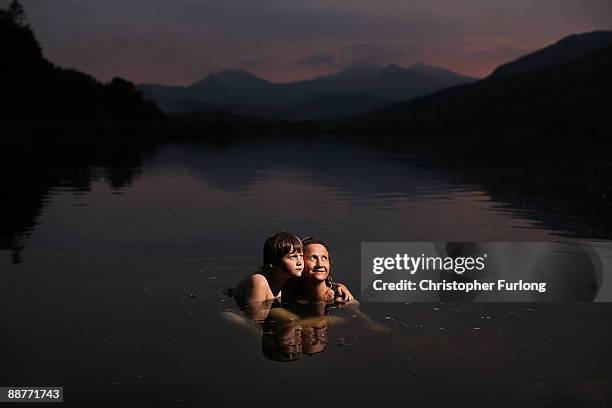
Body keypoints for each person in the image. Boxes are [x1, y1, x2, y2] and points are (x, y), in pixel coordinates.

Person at [233, 231, 304, 307]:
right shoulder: (260, 281)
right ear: (273, 262)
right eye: (292, 257)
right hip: (236, 313)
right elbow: (255, 317)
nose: (300, 262)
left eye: (301, 256)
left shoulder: (290, 279)